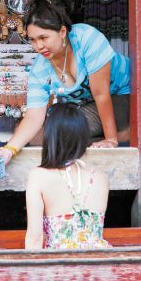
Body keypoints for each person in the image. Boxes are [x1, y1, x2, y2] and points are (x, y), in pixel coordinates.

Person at [0, 0, 132, 163]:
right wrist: (8, 150)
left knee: (63, 131)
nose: (38, 46)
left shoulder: (87, 39)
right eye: (32, 40)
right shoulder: (40, 68)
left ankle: (128, 133)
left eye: (43, 37)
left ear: (62, 32)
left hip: (128, 93)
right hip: (89, 105)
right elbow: (34, 116)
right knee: (41, 135)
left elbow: (101, 94)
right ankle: (123, 133)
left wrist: (111, 140)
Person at [25, 103, 110, 250]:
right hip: (99, 266)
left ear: (50, 137)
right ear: (83, 138)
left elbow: (34, 238)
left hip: (59, 267)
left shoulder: (38, 177)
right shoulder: (101, 178)